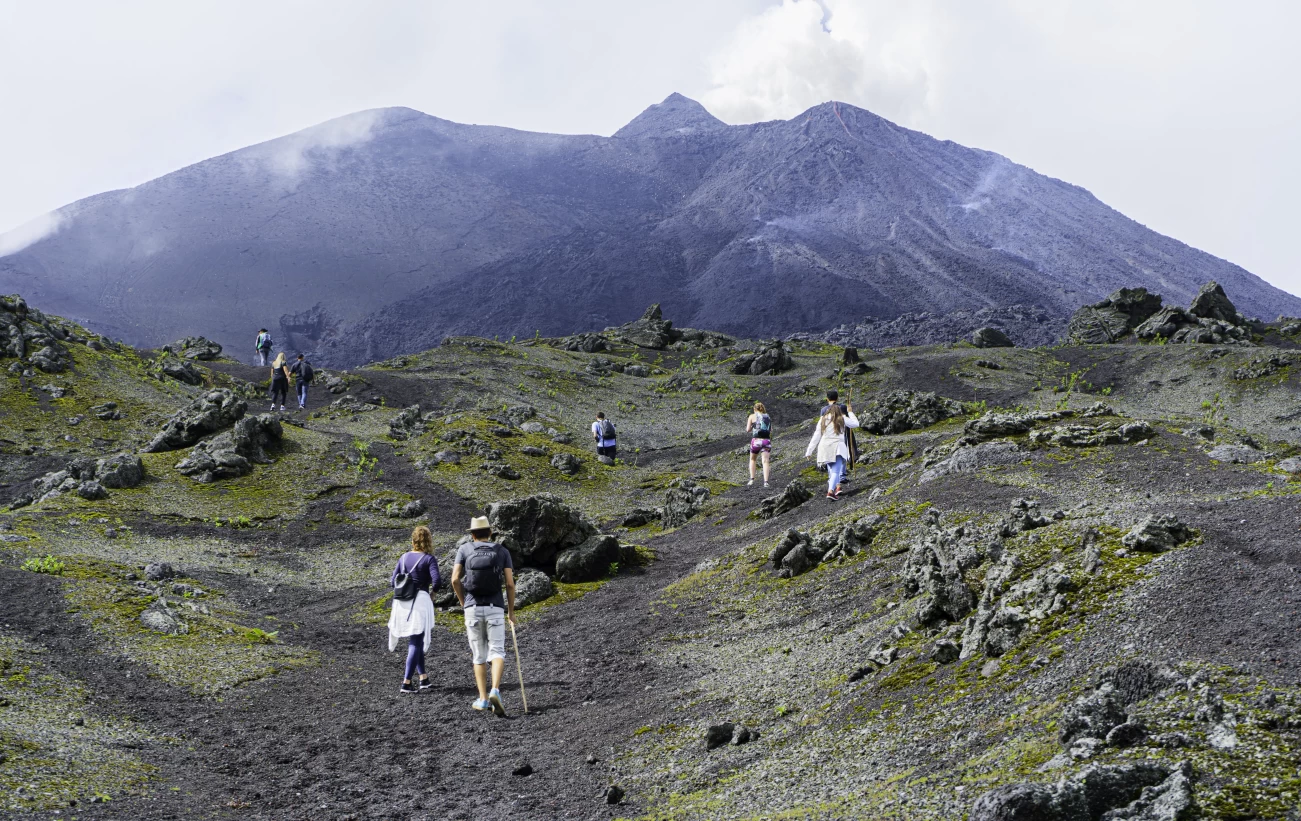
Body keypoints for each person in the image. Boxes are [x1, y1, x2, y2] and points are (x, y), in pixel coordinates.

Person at [451, 516, 516, 716]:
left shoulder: (464, 550)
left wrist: (464, 604)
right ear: (490, 533)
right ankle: (495, 689)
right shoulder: (501, 551)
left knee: (478, 656)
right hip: (495, 607)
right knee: (497, 652)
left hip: (472, 608)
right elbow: (510, 584)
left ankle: (484, 699)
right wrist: (511, 612)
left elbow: (455, 580)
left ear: (472, 534)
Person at [388, 525, 441, 694]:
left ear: (413, 540)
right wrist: (432, 592)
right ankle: (406, 682)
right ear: (429, 540)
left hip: (402, 603)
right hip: (419, 602)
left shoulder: (403, 557)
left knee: (415, 639)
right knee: (416, 641)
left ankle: (423, 678)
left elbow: (392, 581)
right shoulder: (429, 559)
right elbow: (438, 581)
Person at [805, 400, 859, 500]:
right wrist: (850, 412)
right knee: (836, 471)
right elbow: (856, 424)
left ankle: (836, 489)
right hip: (837, 447)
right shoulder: (842, 418)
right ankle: (830, 492)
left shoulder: (822, 419)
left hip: (824, 448)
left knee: (832, 470)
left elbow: (816, 436)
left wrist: (809, 451)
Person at [820, 389, 858, 480]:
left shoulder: (824, 410)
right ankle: (842, 475)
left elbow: (821, 424)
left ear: (827, 399)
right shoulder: (842, 407)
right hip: (841, 433)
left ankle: (833, 477)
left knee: (831, 455)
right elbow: (848, 421)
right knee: (842, 453)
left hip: (828, 436)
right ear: (837, 398)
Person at [745, 402, 773, 487]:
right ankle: (766, 482)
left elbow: (748, 430)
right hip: (766, 441)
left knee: (753, 459)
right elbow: (771, 430)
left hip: (756, 440)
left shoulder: (752, 416)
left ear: (754, 409)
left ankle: (752, 480)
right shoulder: (767, 416)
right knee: (765, 461)